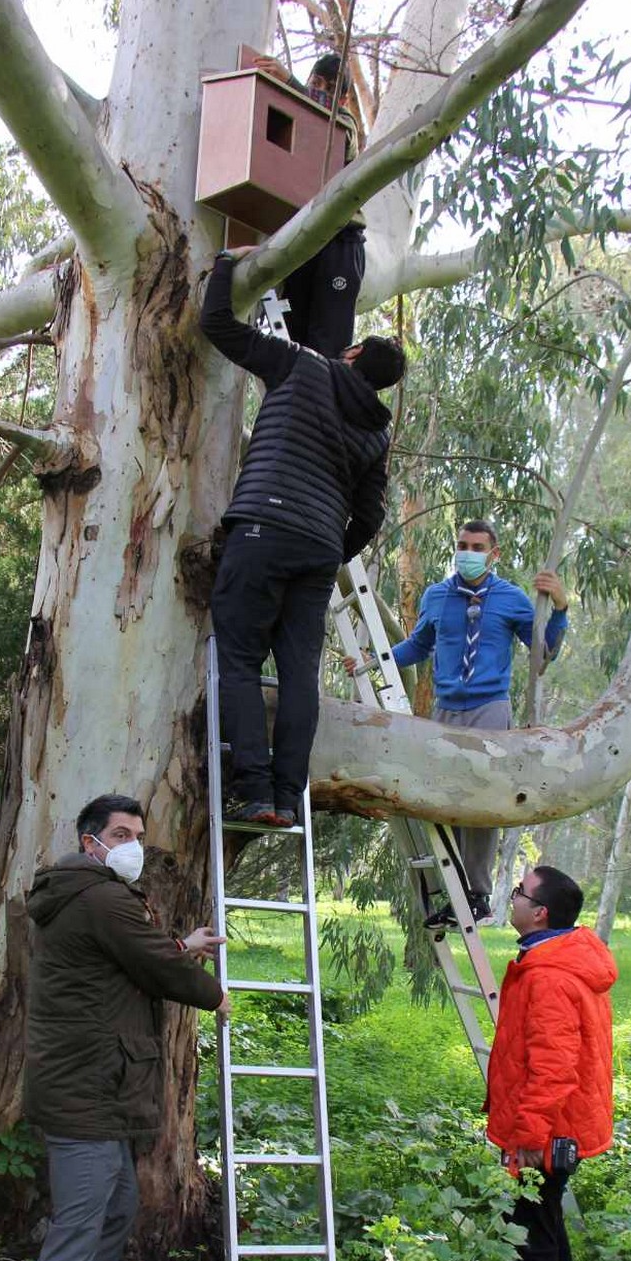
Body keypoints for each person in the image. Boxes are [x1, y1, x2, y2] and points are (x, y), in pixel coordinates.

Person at [14, 794, 229, 1261]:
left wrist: (175, 945)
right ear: (90, 842)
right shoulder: (102, 896)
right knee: (76, 1231)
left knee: (119, 1203)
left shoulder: (88, 896)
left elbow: (125, 957)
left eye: (138, 833)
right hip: (85, 1089)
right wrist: (211, 988)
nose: (132, 843)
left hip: (92, 1083)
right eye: (120, 833)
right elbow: (157, 970)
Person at [201, 247, 405, 827]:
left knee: (238, 658)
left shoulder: (303, 366)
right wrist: (326, 552)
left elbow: (217, 325)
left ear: (355, 352)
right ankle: (289, 797)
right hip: (316, 552)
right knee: (298, 674)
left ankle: (256, 790)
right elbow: (370, 516)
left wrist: (224, 267)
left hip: (263, 527)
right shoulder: (376, 436)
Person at [372, 519, 568, 921]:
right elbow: (418, 646)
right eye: (463, 544)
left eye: (478, 547)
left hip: (490, 709)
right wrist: (375, 660)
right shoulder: (438, 596)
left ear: (493, 554)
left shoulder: (512, 598)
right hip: (446, 709)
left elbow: (543, 653)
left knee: (483, 798)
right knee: (441, 797)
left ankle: (477, 893)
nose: (469, 552)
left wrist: (560, 608)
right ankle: (449, 891)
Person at [485, 864, 617, 1261]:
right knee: (545, 1222)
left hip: (549, 1129)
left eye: (520, 892)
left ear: (539, 913)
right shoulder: (554, 959)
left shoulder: (551, 977)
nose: (514, 898)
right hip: (560, 1125)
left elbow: (553, 1068)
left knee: (529, 1234)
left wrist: (527, 1136)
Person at [251, 50, 365, 356]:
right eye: (317, 83)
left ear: (341, 100)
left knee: (327, 344)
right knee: (290, 335)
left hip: (340, 239)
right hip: (301, 238)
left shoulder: (345, 123)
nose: (320, 91)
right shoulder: (291, 121)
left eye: (330, 89)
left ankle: (323, 399)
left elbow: (329, 123)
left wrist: (291, 82)